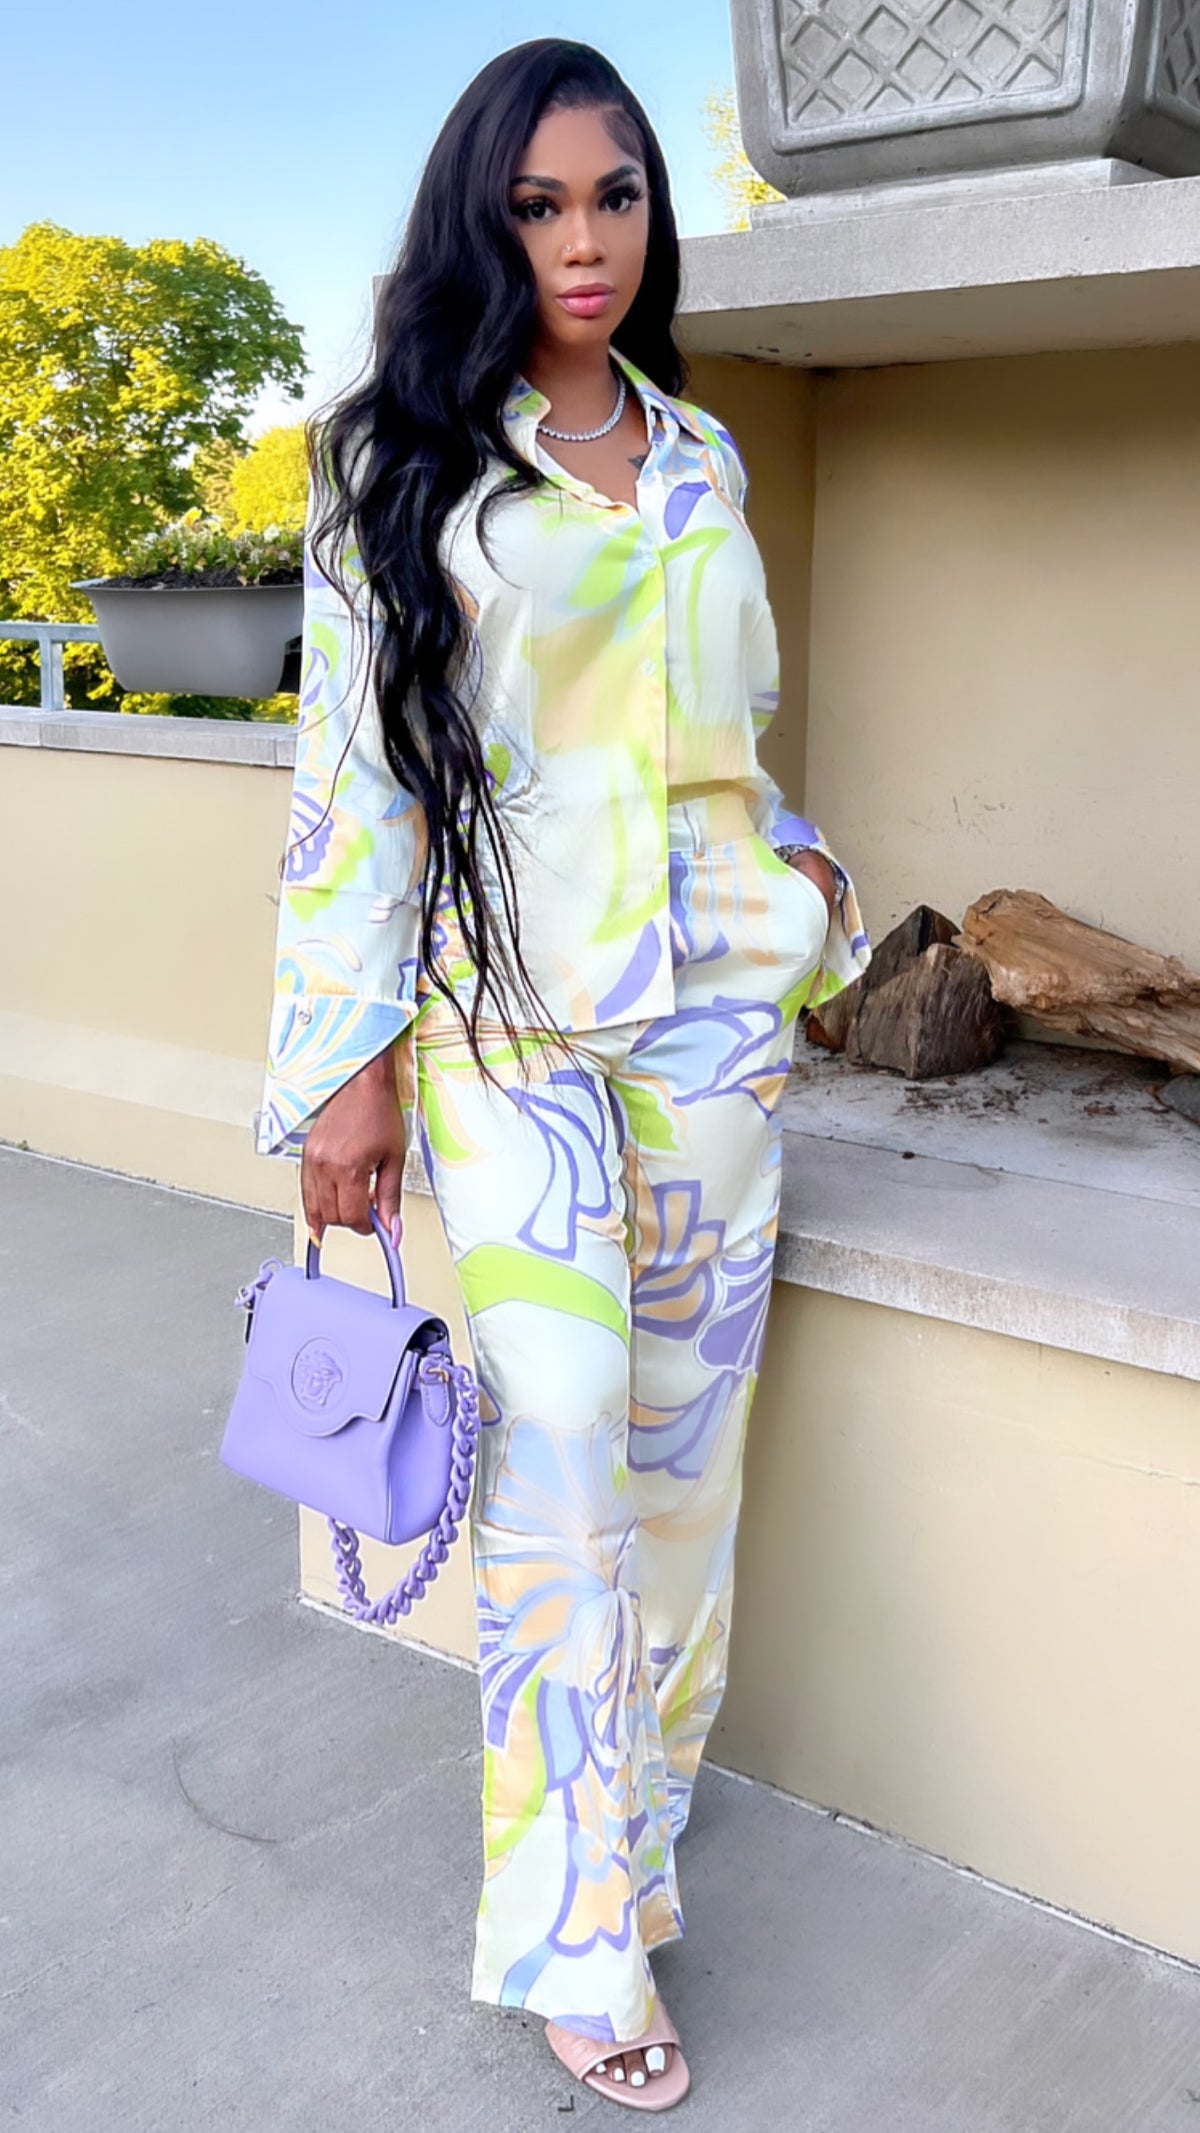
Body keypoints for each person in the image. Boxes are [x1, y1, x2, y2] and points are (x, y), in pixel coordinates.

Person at [254, 37, 870, 2113]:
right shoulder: (391, 462)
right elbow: (355, 785)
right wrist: (343, 1069)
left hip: (709, 1025)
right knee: (568, 1446)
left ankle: (635, 1858)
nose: (583, 241)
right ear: (482, 221)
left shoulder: (702, 457)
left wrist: (805, 884)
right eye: (538, 205)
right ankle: (571, 1933)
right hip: (504, 1027)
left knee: (686, 1477)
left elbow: (731, 738)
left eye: (615, 197)